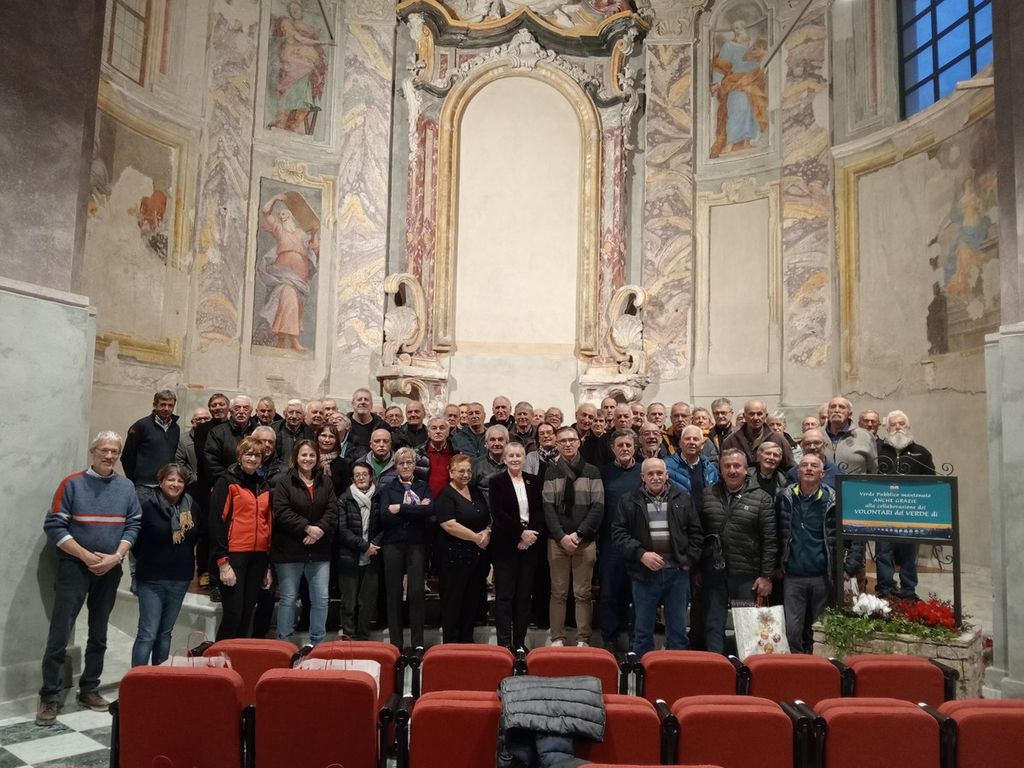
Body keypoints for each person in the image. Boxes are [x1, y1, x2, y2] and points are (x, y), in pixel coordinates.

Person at [38, 432, 142, 725]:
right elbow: (54, 526)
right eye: (104, 450)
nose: (109, 456)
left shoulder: (126, 487)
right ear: (93, 451)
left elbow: (134, 524)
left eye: (114, 451)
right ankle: (49, 696)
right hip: (74, 566)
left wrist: (116, 557)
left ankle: (89, 689)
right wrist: (85, 556)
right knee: (60, 633)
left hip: (109, 568)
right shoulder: (71, 484)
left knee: (99, 632)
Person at [613, 458, 702, 656]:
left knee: (678, 633)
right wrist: (641, 554)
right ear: (642, 477)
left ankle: (675, 669)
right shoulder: (629, 501)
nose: (655, 477)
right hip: (644, 575)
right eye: (650, 474)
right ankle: (643, 670)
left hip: (677, 575)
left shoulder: (683, 498)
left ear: (667, 475)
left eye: (659, 473)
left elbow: (696, 533)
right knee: (642, 632)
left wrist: (687, 561)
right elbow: (619, 534)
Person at [777, 453, 864, 653]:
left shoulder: (835, 499)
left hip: (823, 577)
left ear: (822, 473)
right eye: (804, 465)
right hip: (793, 576)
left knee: (821, 631)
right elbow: (776, 532)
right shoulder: (784, 497)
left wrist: (849, 567)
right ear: (797, 471)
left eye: (814, 466)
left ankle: (818, 667)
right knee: (792, 632)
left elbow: (857, 534)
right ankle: (797, 665)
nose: (808, 469)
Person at [699, 448, 776, 654]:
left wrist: (766, 576)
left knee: (747, 624)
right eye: (727, 466)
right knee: (713, 623)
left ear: (746, 470)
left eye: (737, 466)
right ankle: (717, 665)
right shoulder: (708, 495)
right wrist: (698, 569)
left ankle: (746, 667)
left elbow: (770, 540)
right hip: (715, 575)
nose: (732, 470)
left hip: (746, 577)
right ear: (720, 469)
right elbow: (699, 534)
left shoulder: (762, 498)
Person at [271, 440, 338, 646]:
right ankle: (284, 643)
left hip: (319, 550)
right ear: (296, 457)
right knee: (289, 598)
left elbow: (332, 509)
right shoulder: (284, 482)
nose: (307, 459)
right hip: (289, 550)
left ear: (317, 458)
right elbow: (281, 511)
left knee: (321, 599)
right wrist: (307, 528)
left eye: (311, 455)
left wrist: (319, 530)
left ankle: (317, 643)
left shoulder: (325, 481)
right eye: (303, 455)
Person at [542, 426, 604, 647]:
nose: (567, 444)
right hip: (557, 542)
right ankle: (557, 638)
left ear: (579, 442)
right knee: (558, 592)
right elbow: (547, 507)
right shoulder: (551, 471)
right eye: (563, 441)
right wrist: (561, 536)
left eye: (571, 440)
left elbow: (598, 506)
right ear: (557, 445)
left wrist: (579, 534)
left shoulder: (592, 471)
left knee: (582, 593)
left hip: (584, 541)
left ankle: (582, 639)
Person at [131, 464, 197, 667]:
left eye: (180, 481)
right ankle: (138, 680)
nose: (175, 484)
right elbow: (135, 542)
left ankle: (160, 678)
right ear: (160, 482)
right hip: (151, 579)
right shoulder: (146, 506)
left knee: (165, 632)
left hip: (180, 578)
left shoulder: (192, 507)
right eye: (171, 479)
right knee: (148, 633)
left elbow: (196, 538)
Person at [209, 437, 273, 640]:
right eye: (248, 454)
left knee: (247, 613)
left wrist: (267, 565)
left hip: (258, 557)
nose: (252, 458)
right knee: (233, 613)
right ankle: (218, 656)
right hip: (233, 556)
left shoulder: (264, 485)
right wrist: (222, 562)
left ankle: (238, 656)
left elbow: (268, 523)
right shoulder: (226, 481)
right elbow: (216, 522)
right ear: (239, 456)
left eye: (257, 455)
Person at [874, 410, 936, 601]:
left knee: (909, 553)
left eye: (901, 424)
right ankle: (885, 589)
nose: (898, 427)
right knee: (883, 552)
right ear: (887, 429)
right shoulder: (878, 451)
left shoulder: (921, 452)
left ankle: (908, 590)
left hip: (910, 512)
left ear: (908, 427)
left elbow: (931, 481)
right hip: (883, 511)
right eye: (893, 424)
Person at [489, 443, 544, 650]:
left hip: (530, 545)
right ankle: (504, 643)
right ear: (504, 459)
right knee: (505, 596)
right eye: (510, 455)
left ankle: (519, 643)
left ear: (524, 459)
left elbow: (539, 511)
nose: (514, 459)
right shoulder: (496, 481)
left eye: (518, 455)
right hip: (506, 545)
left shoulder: (534, 481)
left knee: (523, 596)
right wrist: (520, 534)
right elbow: (498, 514)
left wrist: (530, 537)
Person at [379, 447, 433, 648]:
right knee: (393, 592)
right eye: (401, 463)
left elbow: (429, 511)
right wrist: (416, 509)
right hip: (393, 544)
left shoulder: (423, 486)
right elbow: (385, 516)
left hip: (416, 543)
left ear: (414, 465)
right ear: (396, 466)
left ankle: (417, 643)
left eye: (409, 462)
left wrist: (400, 508)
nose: (405, 466)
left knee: (416, 592)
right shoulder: (388, 489)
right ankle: (396, 643)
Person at [434, 454, 490, 643]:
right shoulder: (445, 495)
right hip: (454, 559)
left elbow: (486, 517)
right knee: (453, 603)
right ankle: (451, 645)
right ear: (451, 473)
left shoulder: (475, 491)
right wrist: (476, 538)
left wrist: (488, 532)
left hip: (476, 558)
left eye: (468, 471)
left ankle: (467, 643)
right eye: (461, 471)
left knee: (471, 602)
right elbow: (449, 525)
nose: (466, 474)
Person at [598, 429, 643, 650]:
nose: (625, 449)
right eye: (620, 445)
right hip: (610, 543)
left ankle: (636, 640)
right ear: (613, 448)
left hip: (638, 543)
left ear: (635, 447)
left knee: (637, 593)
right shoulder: (603, 473)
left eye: (628, 445)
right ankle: (609, 640)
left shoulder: (644, 471)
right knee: (609, 593)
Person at [257, 194, 319, 350]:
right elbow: (266, 212)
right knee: (288, 297)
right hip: (283, 273)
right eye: (280, 215)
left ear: (291, 216)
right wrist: (275, 198)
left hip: (300, 275)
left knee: (297, 305)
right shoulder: (279, 229)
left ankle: (283, 340)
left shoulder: (301, 234)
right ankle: (292, 339)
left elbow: (314, 249)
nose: (282, 217)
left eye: (284, 214)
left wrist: (315, 233)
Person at [710, 19, 768, 158]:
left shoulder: (753, 45)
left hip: (753, 82)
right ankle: (730, 144)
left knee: (751, 110)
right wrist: (716, 82)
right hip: (735, 83)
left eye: (740, 27)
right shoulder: (729, 46)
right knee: (737, 108)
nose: (738, 30)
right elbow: (720, 66)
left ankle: (747, 141)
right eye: (735, 28)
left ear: (745, 28)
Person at [268, 0, 327, 134]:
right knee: (289, 94)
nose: (294, 11)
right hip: (293, 66)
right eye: (292, 9)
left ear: (302, 11)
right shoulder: (288, 25)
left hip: (305, 68)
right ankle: (283, 122)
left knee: (304, 96)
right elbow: (297, 40)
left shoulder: (307, 28)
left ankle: (294, 125)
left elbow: (308, 42)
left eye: (297, 9)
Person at [337, 462, 382, 639]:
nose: (361, 477)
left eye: (365, 474)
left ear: (371, 477)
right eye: (357, 475)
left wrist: (374, 545)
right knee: (348, 600)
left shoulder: (379, 497)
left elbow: (385, 525)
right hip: (350, 556)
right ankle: (348, 634)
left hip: (373, 556)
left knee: (368, 600)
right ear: (352, 478)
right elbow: (342, 530)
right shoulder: (344, 499)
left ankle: (363, 634)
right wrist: (364, 546)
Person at [122, 389, 180, 487]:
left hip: (166, 485)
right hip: (144, 485)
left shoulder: (175, 428)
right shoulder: (141, 425)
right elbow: (127, 457)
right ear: (154, 405)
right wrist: (133, 481)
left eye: (170, 405)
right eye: (163, 404)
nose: (166, 408)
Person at [721, 399, 795, 470]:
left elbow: (790, 467)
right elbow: (723, 468)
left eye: (759, 414)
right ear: (744, 416)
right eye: (751, 414)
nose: (756, 418)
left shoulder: (778, 440)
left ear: (766, 416)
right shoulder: (731, 441)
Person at [824, 396, 877, 475]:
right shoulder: (816, 435)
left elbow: (873, 470)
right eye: (833, 407)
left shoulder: (865, 436)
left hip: (855, 483)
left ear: (850, 413)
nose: (836, 410)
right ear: (828, 412)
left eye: (841, 407)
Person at [666, 425, 720, 499]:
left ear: (702, 445)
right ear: (680, 443)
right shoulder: (667, 467)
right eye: (687, 439)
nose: (691, 442)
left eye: (695, 439)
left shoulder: (711, 469)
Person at [347, 388, 390, 461]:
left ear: (371, 405)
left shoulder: (383, 426)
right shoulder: (344, 425)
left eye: (366, 399)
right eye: (359, 399)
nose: (363, 402)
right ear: (353, 404)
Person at [471, 424, 508, 502]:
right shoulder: (476, 465)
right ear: (486, 444)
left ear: (507, 443)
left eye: (500, 439)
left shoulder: (514, 464)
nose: (496, 443)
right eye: (492, 440)